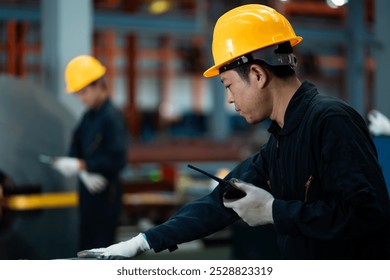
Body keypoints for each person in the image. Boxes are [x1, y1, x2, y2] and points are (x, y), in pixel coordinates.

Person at [78, 4, 390, 260]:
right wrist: (144, 241)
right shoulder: (279, 142)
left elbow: (367, 215)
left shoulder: (331, 120)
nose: (229, 98)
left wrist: (273, 211)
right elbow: (219, 202)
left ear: (256, 74)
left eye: (228, 85)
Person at [52, 55, 129, 250]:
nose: (81, 99)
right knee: (86, 247)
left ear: (99, 85)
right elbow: (75, 147)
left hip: (106, 195)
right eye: (78, 94)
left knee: (103, 250)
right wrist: (81, 170)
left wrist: (84, 165)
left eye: (84, 92)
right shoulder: (88, 117)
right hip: (87, 195)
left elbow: (118, 160)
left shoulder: (112, 117)